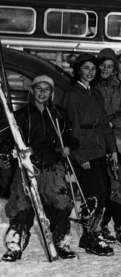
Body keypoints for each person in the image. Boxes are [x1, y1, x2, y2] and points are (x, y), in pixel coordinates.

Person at [2, 76, 77, 262]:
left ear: (52, 93)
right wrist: (5, 153)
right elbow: (7, 140)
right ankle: (15, 246)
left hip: (53, 167)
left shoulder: (59, 114)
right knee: (21, 205)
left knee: (60, 204)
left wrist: (69, 146)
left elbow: (70, 137)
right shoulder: (21, 115)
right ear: (32, 90)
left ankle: (61, 243)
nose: (42, 92)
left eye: (47, 89)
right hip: (28, 166)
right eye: (38, 88)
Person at [64, 53, 118, 256]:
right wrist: (81, 156)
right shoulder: (73, 94)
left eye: (93, 69)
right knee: (93, 196)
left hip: (99, 149)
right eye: (86, 68)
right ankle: (92, 236)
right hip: (85, 151)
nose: (90, 72)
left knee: (101, 193)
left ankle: (92, 234)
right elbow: (73, 128)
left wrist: (112, 149)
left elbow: (104, 123)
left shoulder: (95, 93)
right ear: (78, 70)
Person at [94, 48, 121, 245]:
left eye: (110, 66)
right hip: (97, 141)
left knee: (119, 183)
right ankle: (99, 226)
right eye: (103, 65)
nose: (106, 69)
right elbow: (92, 116)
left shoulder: (117, 87)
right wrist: (109, 132)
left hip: (116, 139)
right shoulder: (92, 87)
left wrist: (112, 126)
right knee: (101, 187)